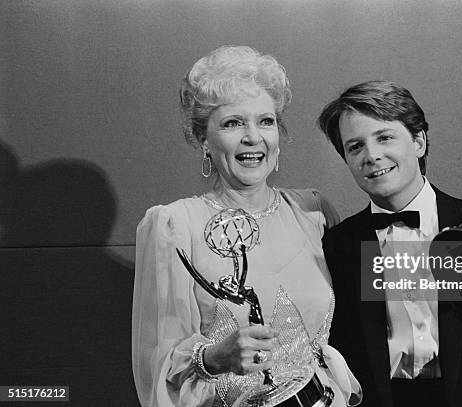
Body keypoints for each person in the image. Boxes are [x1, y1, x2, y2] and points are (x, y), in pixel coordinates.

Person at [132, 46, 361, 407]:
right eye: (232, 123)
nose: (253, 137)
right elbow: (158, 368)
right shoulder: (175, 225)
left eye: (265, 121)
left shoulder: (313, 211)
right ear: (203, 140)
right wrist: (214, 357)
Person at [317, 80, 462, 407]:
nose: (371, 155)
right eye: (355, 146)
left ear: (418, 141)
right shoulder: (338, 246)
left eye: (385, 137)